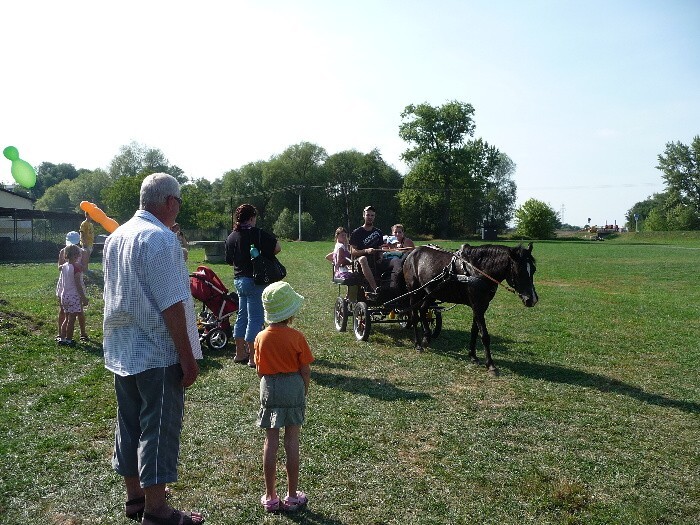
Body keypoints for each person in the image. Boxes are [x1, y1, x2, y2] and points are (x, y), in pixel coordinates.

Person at [102, 173, 205, 525]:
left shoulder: (116, 236)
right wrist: (188, 357)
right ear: (170, 202)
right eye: (179, 202)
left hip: (123, 349)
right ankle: (157, 511)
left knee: (129, 427)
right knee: (158, 430)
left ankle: (135, 500)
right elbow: (173, 304)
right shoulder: (160, 240)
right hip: (156, 352)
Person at [255, 281, 314, 513]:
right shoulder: (297, 337)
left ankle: (270, 495)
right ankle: (291, 495)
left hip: (269, 386)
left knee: (271, 440)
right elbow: (306, 369)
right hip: (293, 386)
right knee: (292, 440)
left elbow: (259, 368)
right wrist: (304, 388)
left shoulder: (260, 337)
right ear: (289, 312)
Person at [225, 204, 281, 367]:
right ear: (251, 218)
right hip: (255, 280)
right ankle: (252, 357)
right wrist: (262, 256)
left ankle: (239, 353)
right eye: (254, 217)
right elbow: (277, 247)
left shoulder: (232, 237)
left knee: (242, 316)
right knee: (255, 318)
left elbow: (229, 260)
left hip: (239, 281)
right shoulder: (257, 233)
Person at [57, 231, 89, 342]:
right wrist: (83, 297)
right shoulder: (65, 253)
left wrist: (71, 265)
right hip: (71, 289)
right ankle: (68, 338)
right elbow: (78, 284)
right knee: (70, 317)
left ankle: (66, 336)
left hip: (66, 290)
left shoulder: (82, 253)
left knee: (70, 315)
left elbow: (84, 267)